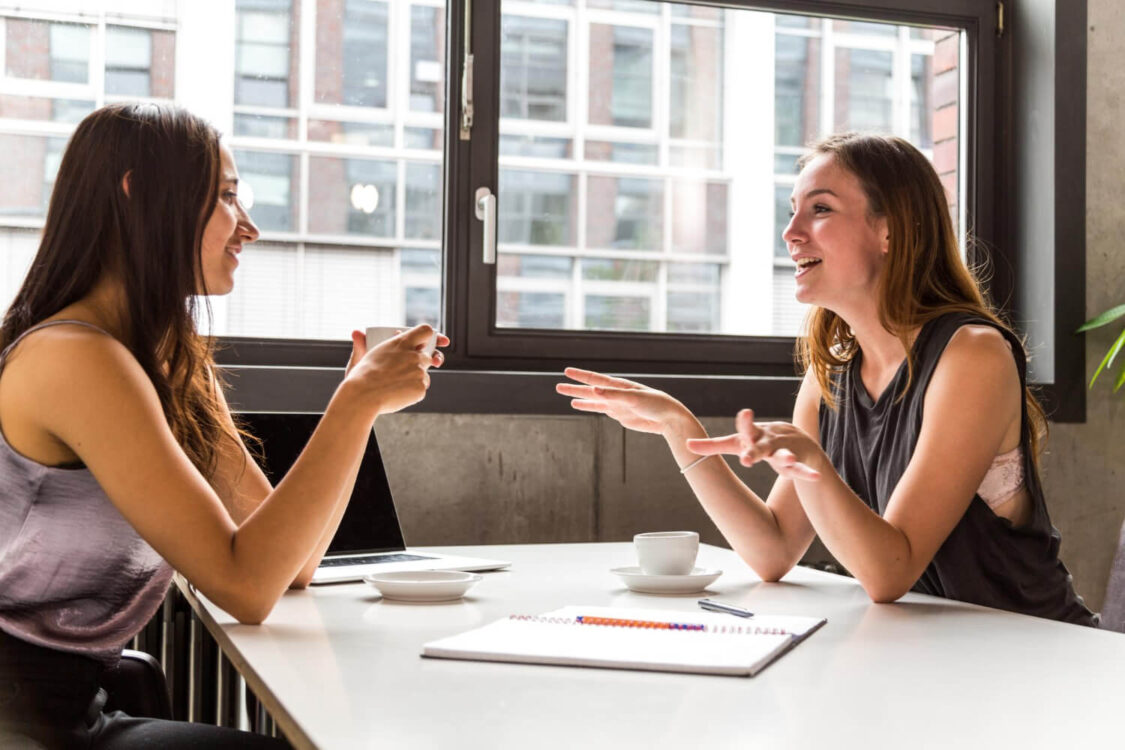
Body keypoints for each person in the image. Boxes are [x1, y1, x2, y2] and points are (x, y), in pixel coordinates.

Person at [0, 103, 447, 747]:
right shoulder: (76, 357)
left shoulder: (164, 356)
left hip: (74, 703)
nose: (250, 228)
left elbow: (288, 566)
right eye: (229, 198)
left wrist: (359, 405)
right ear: (139, 194)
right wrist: (352, 406)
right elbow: (246, 586)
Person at [558, 132, 1094, 626]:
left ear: (889, 230)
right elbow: (772, 550)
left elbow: (890, 572)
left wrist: (813, 463)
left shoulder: (973, 355)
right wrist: (682, 431)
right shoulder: (831, 377)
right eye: (793, 212)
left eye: (820, 210)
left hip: (1036, 654)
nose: (790, 234)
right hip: (929, 657)